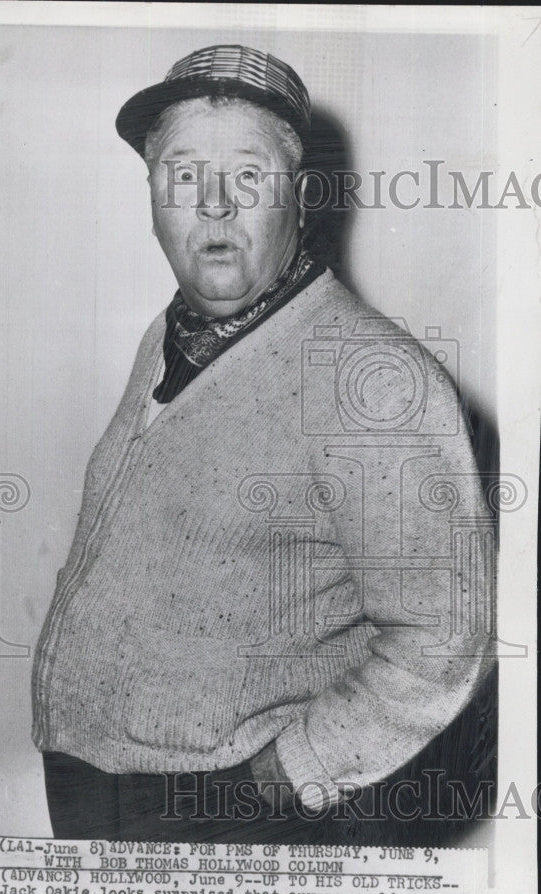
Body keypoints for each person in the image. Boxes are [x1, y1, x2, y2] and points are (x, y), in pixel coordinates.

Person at [32, 44, 496, 845]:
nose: (212, 206)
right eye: (182, 174)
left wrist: (298, 770)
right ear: (150, 196)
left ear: (303, 197)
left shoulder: (370, 377)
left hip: (227, 805)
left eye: (248, 176)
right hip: (95, 779)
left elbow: (447, 635)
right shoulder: (173, 334)